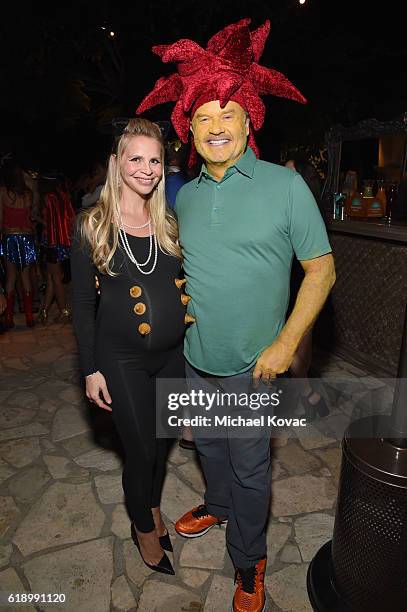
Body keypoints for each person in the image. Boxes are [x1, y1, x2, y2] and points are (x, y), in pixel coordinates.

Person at [137, 18, 336, 612]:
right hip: (198, 358)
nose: (216, 125)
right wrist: (180, 306)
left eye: (228, 113)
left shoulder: (285, 188)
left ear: (249, 121)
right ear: (188, 129)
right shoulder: (187, 196)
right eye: (204, 116)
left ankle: (249, 560)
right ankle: (216, 505)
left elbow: (321, 271)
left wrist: (285, 345)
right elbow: (183, 267)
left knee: (252, 468)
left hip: (256, 369)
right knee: (209, 448)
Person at [71, 118, 187, 577]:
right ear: (116, 163)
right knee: (139, 451)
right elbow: (81, 306)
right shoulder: (91, 225)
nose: (146, 168)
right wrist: (90, 369)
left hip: (172, 356)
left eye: (154, 159)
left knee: (160, 444)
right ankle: (143, 527)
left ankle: (154, 507)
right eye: (135, 158)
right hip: (120, 359)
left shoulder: (168, 222)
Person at [285, 156, 329, 420]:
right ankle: (308, 394)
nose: (285, 178)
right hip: (286, 282)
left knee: (298, 342)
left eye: (291, 173)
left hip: (303, 283)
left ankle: (309, 394)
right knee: (298, 344)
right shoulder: (285, 204)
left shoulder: (308, 211)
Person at [0, 161, 37, 328]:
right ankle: (29, 316)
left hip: (9, 236)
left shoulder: (3, 192)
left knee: (11, 276)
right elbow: (31, 216)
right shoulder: (28, 194)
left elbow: (1, 218)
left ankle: (8, 317)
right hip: (26, 236)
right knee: (25, 276)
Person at [37, 174, 76, 324]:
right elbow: (69, 218)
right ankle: (45, 311)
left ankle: (63, 311)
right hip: (62, 242)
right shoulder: (63, 196)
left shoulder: (48, 198)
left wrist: (37, 218)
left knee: (55, 279)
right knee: (52, 278)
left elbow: (49, 224)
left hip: (52, 243)